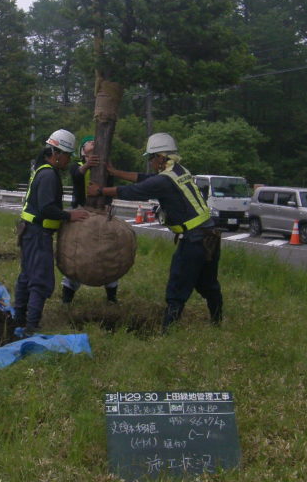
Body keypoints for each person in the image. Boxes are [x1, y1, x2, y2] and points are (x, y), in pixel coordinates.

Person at [90, 132, 222, 331]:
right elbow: (145, 179)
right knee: (207, 283)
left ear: (162, 157)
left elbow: (135, 191)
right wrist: (115, 172)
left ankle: (168, 331)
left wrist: (100, 191)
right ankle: (217, 321)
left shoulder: (164, 181)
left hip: (194, 240)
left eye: (151, 158)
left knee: (177, 285)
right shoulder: (179, 171)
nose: (150, 162)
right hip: (210, 236)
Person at [14, 129, 89, 335]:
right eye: (67, 155)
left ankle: (18, 318)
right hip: (38, 234)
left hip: (30, 232)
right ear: (56, 153)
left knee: (27, 275)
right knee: (40, 279)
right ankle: (31, 325)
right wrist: (68, 216)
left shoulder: (42, 170)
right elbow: (47, 208)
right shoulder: (48, 175)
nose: (68, 160)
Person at [61, 135, 119, 304]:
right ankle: (67, 296)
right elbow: (77, 176)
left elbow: (110, 184)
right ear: (82, 151)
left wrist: (108, 203)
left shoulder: (104, 165)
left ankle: (111, 295)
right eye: (88, 142)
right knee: (76, 252)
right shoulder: (77, 166)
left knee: (108, 251)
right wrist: (88, 165)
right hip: (80, 212)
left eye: (94, 140)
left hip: (101, 212)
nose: (92, 142)